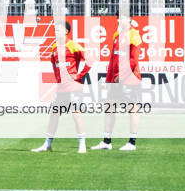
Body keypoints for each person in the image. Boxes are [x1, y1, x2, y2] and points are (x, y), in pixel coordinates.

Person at [31, 21, 90, 153]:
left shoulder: (73, 45)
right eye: (55, 29)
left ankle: (82, 145)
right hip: (62, 89)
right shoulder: (54, 48)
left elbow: (90, 59)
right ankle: (47, 144)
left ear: (66, 31)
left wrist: (79, 75)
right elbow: (54, 65)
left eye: (59, 29)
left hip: (74, 87)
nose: (56, 31)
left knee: (76, 114)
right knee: (54, 114)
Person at [92, 18, 142, 152]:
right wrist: (109, 77)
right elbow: (114, 58)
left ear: (129, 19)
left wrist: (123, 74)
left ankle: (132, 142)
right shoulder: (117, 35)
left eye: (123, 17)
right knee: (109, 108)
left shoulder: (134, 35)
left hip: (129, 79)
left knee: (132, 109)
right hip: (114, 80)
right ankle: (106, 141)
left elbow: (133, 59)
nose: (119, 20)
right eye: (118, 17)